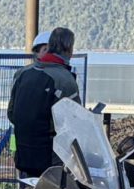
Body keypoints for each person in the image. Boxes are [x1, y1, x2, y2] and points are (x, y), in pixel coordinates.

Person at [5, 27, 79, 177]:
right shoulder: (65, 80)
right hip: (51, 160)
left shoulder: (22, 74)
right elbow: (73, 123)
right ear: (69, 49)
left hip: (23, 154)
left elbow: (12, 114)